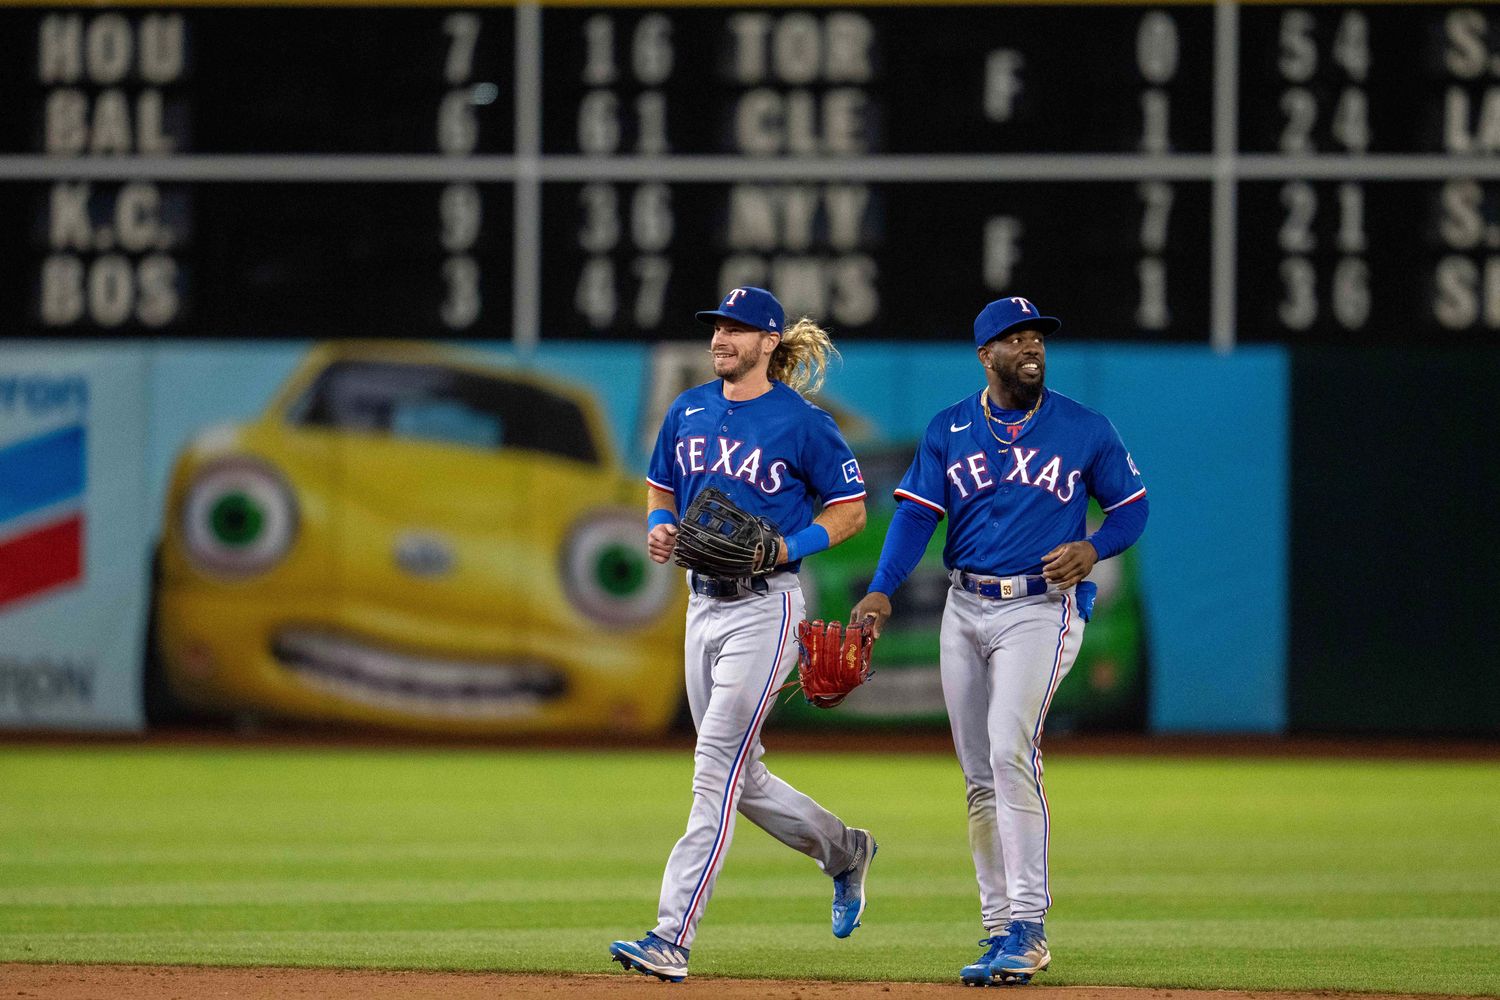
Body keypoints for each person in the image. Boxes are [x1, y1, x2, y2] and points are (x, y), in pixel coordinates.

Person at [850, 296, 1148, 987]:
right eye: (1014, 339)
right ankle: (997, 928)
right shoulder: (951, 429)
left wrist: (1095, 546)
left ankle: (1030, 928)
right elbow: (916, 518)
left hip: (1042, 609)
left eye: (1036, 336)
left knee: (1012, 750)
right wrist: (882, 589)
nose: (1031, 348)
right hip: (965, 605)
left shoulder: (1083, 428)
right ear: (986, 356)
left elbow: (1132, 507)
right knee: (979, 775)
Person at [609, 286, 877, 983]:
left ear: (768, 342)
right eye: (717, 327)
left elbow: (850, 511)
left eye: (736, 329)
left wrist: (787, 548)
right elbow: (659, 485)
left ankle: (671, 937)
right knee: (740, 776)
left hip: (767, 607)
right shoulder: (688, 408)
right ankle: (845, 852)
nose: (721, 338)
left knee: (713, 770)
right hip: (701, 606)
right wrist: (657, 527)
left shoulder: (803, 422)